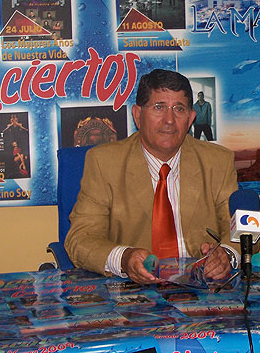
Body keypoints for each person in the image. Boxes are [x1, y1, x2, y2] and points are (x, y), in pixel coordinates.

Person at [65, 69, 239, 284]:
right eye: (159, 107)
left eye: (179, 109)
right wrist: (124, 258)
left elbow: (242, 231)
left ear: (191, 118)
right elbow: (80, 239)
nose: (169, 120)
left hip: (203, 286)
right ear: (137, 115)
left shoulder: (218, 161)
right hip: (134, 288)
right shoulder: (104, 162)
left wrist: (227, 255)